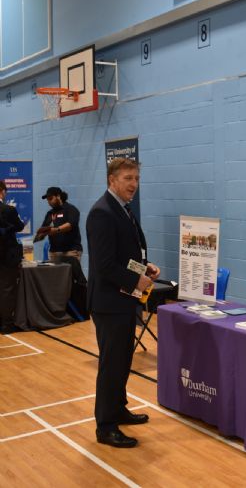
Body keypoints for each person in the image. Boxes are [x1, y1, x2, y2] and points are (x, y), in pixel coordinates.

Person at [86, 157, 160, 448]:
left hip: (124, 301)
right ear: (112, 180)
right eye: (128, 178)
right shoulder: (102, 213)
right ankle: (105, 426)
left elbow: (124, 254)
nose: (134, 184)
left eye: (136, 178)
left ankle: (117, 409)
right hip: (109, 303)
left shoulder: (122, 209)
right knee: (111, 364)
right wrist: (135, 281)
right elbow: (104, 264)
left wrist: (144, 268)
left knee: (122, 360)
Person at [0, 180, 25, 334]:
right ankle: (6, 324)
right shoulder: (8, 210)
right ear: (2, 191)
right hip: (6, 256)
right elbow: (20, 226)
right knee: (7, 289)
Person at [36, 187, 83, 261]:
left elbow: (70, 225)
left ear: (58, 196)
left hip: (70, 252)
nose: (49, 202)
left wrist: (56, 230)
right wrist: (41, 234)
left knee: (72, 269)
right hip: (54, 253)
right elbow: (43, 229)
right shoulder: (50, 213)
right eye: (47, 200)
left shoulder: (71, 209)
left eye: (51, 198)